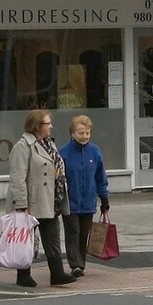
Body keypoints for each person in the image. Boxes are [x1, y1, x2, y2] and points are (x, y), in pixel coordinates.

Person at [5, 110, 73, 288]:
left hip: (50, 199)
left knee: (52, 236)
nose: (51, 126)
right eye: (47, 123)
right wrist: (21, 204)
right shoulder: (23, 146)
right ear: (37, 126)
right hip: (31, 200)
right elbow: (17, 178)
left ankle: (57, 273)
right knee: (26, 238)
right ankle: (23, 274)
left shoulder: (49, 143)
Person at [58, 114, 111, 277]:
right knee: (73, 231)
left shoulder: (95, 152)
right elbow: (58, 178)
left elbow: (100, 177)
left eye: (87, 133)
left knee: (84, 234)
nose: (84, 136)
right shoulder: (63, 152)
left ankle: (81, 263)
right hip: (70, 202)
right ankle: (75, 264)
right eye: (81, 133)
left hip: (88, 201)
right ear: (72, 133)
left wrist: (104, 198)